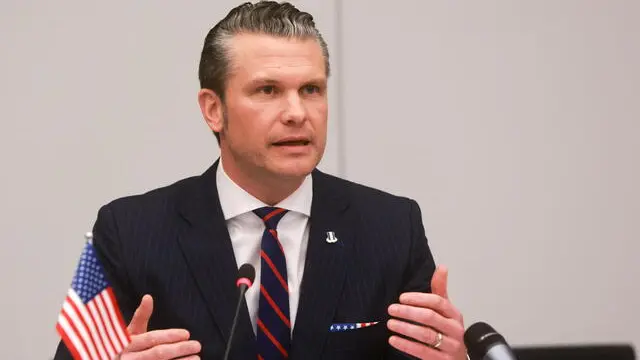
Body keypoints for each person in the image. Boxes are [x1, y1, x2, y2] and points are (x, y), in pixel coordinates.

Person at [54, 1, 467, 359]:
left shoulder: (391, 227)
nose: (296, 112)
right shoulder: (131, 232)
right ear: (213, 109)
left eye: (311, 89)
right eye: (268, 90)